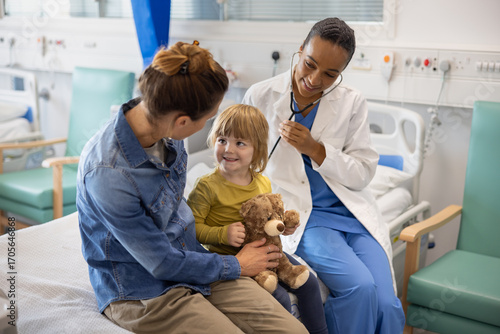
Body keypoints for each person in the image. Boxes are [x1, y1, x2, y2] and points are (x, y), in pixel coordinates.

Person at [76, 41, 308, 334]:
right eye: (208, 119)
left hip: (196, 260)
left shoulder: (167, 129)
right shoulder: (108, 174)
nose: (208, 128)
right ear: (182, 121)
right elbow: (160, 263)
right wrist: (236, 265)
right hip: (145, 290)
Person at [241, 18, 406, 334]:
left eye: (330, 74)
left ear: (341, 73)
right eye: (309, 64)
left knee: (386, 302)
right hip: (307, 217)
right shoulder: (260, 96)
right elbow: (242, 164)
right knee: (361, 288)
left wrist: (315, 149)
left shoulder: (352, 101)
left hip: (351, 212)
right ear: (300, 50)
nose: (314, 79)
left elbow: (363, 172)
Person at [187, 104, 328, 334]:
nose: (228, 149)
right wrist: (223, 234)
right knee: (279, 298)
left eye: (240, 143)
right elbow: (192, 230)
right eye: (222, 140)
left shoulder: (262, 182)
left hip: (268, 252)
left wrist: (283, 228)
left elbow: (269, 221)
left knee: (309, 282)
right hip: (233, 259)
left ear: (257, 149)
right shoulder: (206, 187)